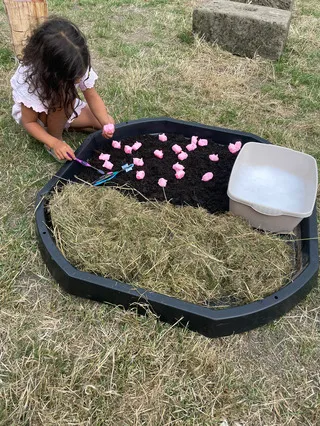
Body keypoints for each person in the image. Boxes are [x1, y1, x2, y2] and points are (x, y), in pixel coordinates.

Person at [10, 17, 115, 161]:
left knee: (107, 121)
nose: (79, 80)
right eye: (74, 78)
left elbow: (92, 96)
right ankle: (54, 136)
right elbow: (30, 122)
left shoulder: (76, 62)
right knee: (64, 98)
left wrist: (105, 123)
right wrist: (55, 143)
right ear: (51, 72)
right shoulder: (30, 79)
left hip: (66, 108)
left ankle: (63, 126)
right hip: (39, 116)